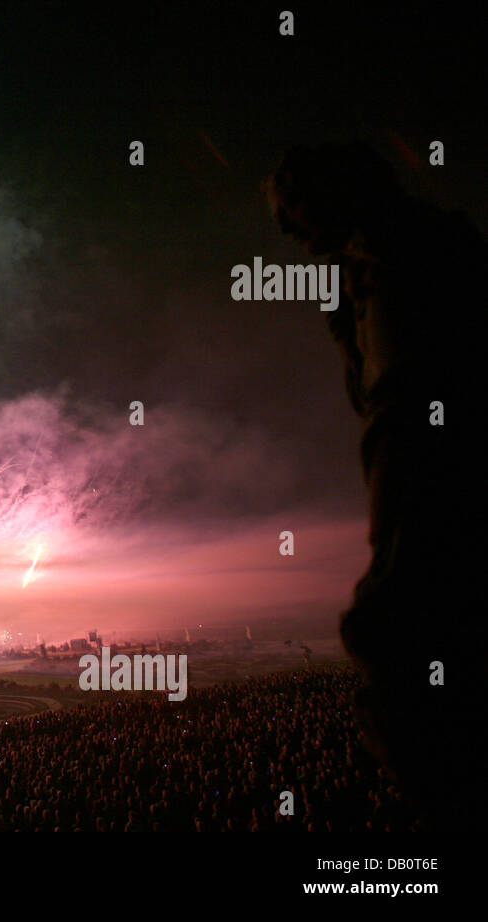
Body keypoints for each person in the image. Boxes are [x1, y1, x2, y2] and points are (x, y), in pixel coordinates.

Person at [266, 143, 485, 832]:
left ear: (337, 190)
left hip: (431, 454)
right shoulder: (398, 251)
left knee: (395, 637)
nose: (289, 232)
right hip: (417, 446)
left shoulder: (396, 250)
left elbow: (399, 394)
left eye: (292, 207)